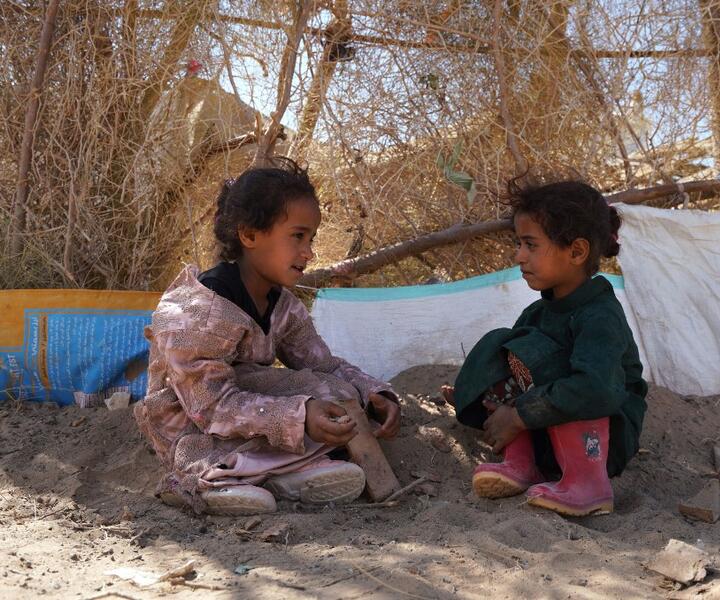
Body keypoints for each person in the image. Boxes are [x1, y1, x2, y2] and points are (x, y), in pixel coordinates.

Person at [134, 157, 400, 515]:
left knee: (339, 395)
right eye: (297, 236)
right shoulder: (196, 312)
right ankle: (208, 481)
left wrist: (372, 391)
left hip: (248, 409)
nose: (308, 252)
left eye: (311, 238)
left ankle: (278, 476)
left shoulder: (283, 305)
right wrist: (299, 415)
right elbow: (211, 407)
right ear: (249, 235)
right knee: (306, 411)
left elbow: (322, 364)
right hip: (192, 423)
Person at [442, 180, 647, 516]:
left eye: (531, 245)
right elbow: (516, 365)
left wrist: (520, 415)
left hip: (603, 445)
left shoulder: (600, 315)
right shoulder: (539, 312)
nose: (519, 255)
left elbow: (597, 390)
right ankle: (522, 465)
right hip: (546, 439)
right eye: (518, 244)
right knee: (504, 347)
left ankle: (588, 484)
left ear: (577, 251)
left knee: (559, 372)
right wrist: (482, 389)